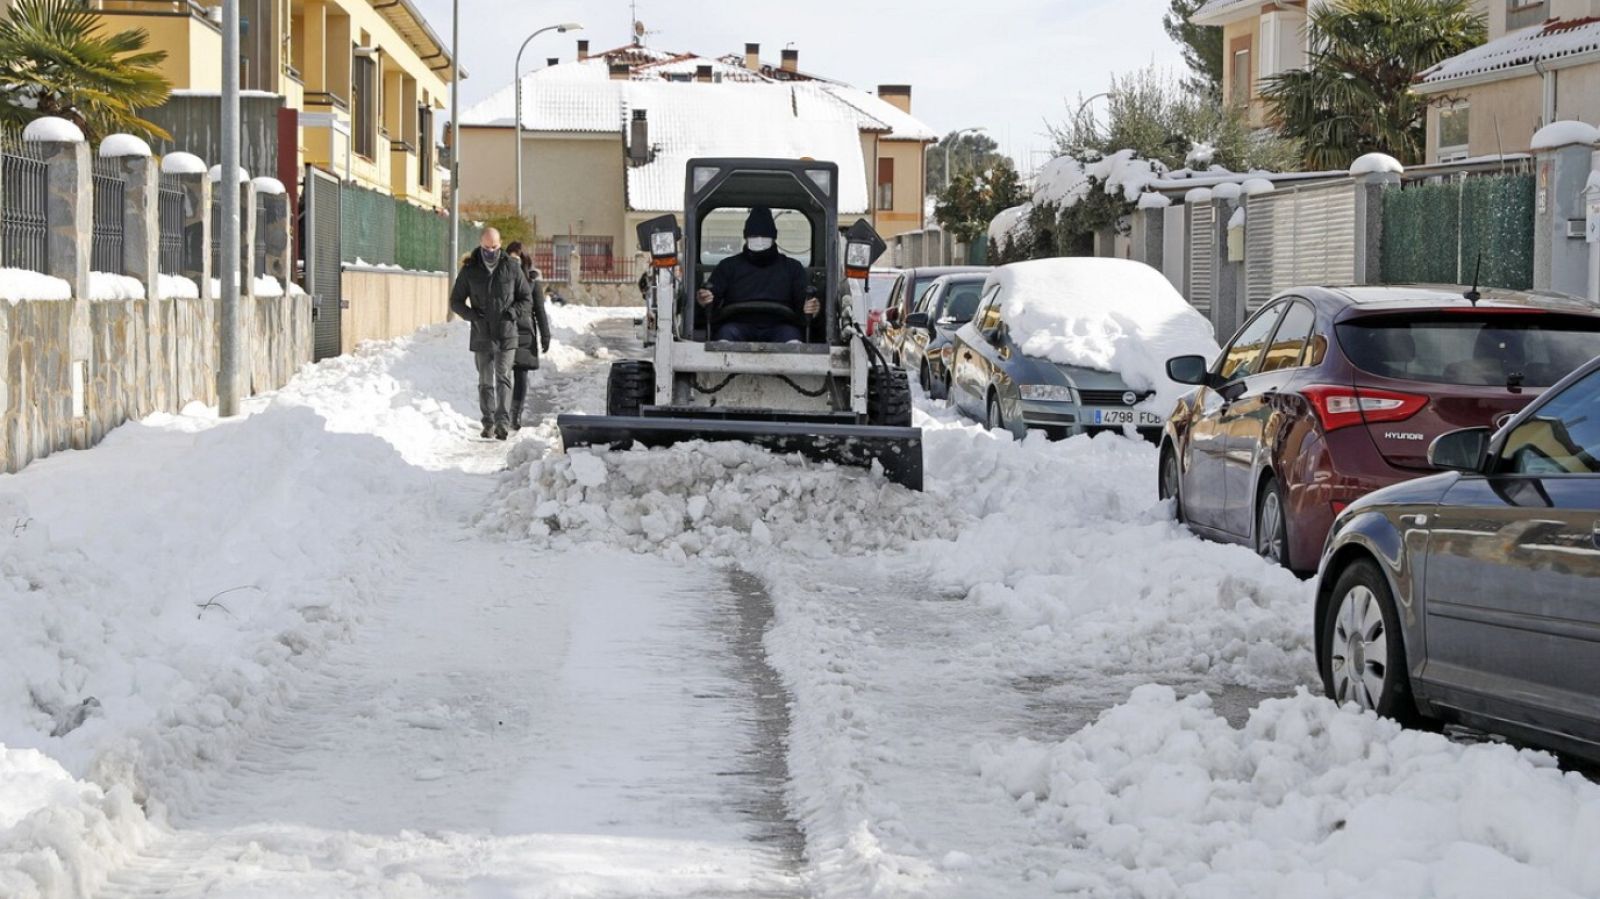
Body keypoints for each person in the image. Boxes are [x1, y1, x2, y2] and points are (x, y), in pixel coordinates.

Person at [449, 227, 532, 440]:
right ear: (480, 244)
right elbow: (455, 301)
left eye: (494, 247)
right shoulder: (470, 270)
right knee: (485, 380)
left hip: (506, 333)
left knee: (503, 377)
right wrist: (472, 315)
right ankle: (488, 422)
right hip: (482, 334)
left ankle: (502, 423)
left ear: (500, 244)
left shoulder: (512, 268)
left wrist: (512, 313)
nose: (491, 251)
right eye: (486, 247)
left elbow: (526, 298)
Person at [695, 206, 819, 342]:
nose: (759, 240)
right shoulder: (728, 266)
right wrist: (704, 298)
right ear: (746, 237)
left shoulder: (792, 268)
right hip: (736, 326)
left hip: (781, 326)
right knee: (725, 335)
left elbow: (804, 301)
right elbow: (712, 297)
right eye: (754, 236)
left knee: (793, 339)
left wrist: (812, 307)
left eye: (765, 236)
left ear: (773, 237)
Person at [503, 241, 551, 431]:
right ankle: (504, 413)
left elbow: (539, 310)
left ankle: (515, 414)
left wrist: (545, 335)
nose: (514, 261)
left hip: (524, 333)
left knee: (520, 375)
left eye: (517, 257)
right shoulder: (500, 278)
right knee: (503, 375)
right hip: (504, 331)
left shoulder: (531, 282)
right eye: (511, 257)